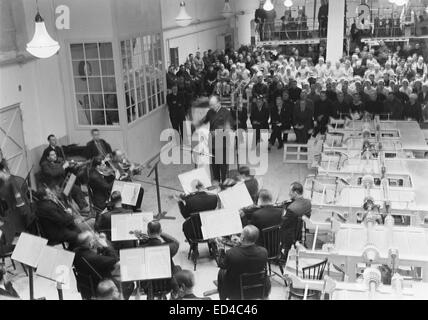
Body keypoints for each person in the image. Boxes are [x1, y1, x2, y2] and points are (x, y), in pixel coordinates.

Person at [217, 225, 270, 300]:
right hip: (258, 289)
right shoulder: (264, 252)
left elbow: (221, 265)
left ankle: (222, 297)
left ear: (242, 238)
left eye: (241, 234)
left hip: (236, 291)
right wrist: (240, 243)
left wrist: (221, 248)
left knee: (221, 272)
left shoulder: (231, 253)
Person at [73, 231, 119, 300]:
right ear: (90, 243)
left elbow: (96, 256)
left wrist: (99, 248)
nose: (95, 240)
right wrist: (106, 245)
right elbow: (114, 260)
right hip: (101, 287)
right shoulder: (94, 258)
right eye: (93, 239)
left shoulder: (76, 252)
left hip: (85, 287)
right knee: (127, 283)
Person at [198, 95, 233, 183]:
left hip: (222, 144)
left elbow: (228, 129)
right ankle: (216, 183)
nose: (211, 106)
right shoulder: (210, 112)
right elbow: (204, 121)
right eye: (210, 105)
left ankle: (225, 184)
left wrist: (216, 133)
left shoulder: (226, 113)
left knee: (223, 166)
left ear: (218, 103)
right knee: (214, 165)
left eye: (213, 104)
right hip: (212, 144)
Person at [281, 182, 311, 262]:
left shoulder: (291, 208)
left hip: (291, 235)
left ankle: (281, 253)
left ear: (295, 193)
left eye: (290, 191)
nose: (289, 193)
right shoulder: (308, 202)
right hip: (302, 232)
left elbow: (284, 224)